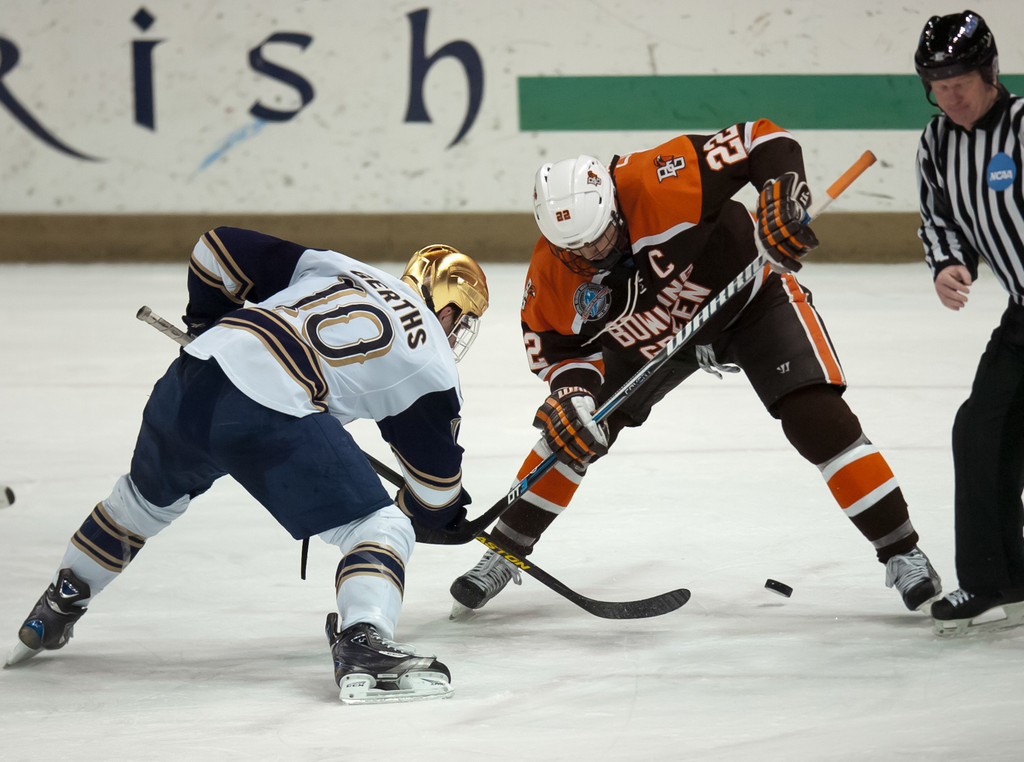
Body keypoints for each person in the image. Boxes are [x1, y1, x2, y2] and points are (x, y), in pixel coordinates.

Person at [449, 121, 943, 617]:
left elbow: (762, 140)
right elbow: (556, 348)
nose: (587, 256)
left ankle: (903, 552)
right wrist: (574, 392)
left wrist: (779, 201)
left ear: (616, 208)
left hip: (749, 300)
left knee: (815, 417)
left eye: (597, 240)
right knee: (576, 428)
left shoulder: (659, 180)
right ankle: (505, 551)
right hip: (653, 333)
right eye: (572, 248)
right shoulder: (552, 269)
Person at [6, 227, 489, 703]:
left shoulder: (343, 266)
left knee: (139, 504)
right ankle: (363, 641)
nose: (457, 333)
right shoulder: (434, 364)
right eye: (461, 320)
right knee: (379, 526)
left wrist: (203, 324)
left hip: (192, 376)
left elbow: (215, 248)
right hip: (269, 410)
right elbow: (434, 492)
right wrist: (437, 519)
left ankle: (61, 600)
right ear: (446, 308)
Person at [914, 10, 1024, 633]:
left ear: (989, 73)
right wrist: (948, 264)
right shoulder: (937, 142)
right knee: (981, 429)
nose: (950, 94)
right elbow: (940, 217)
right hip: (1023, 314)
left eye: (961, 80)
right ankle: (996, 580)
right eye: (938, 82)